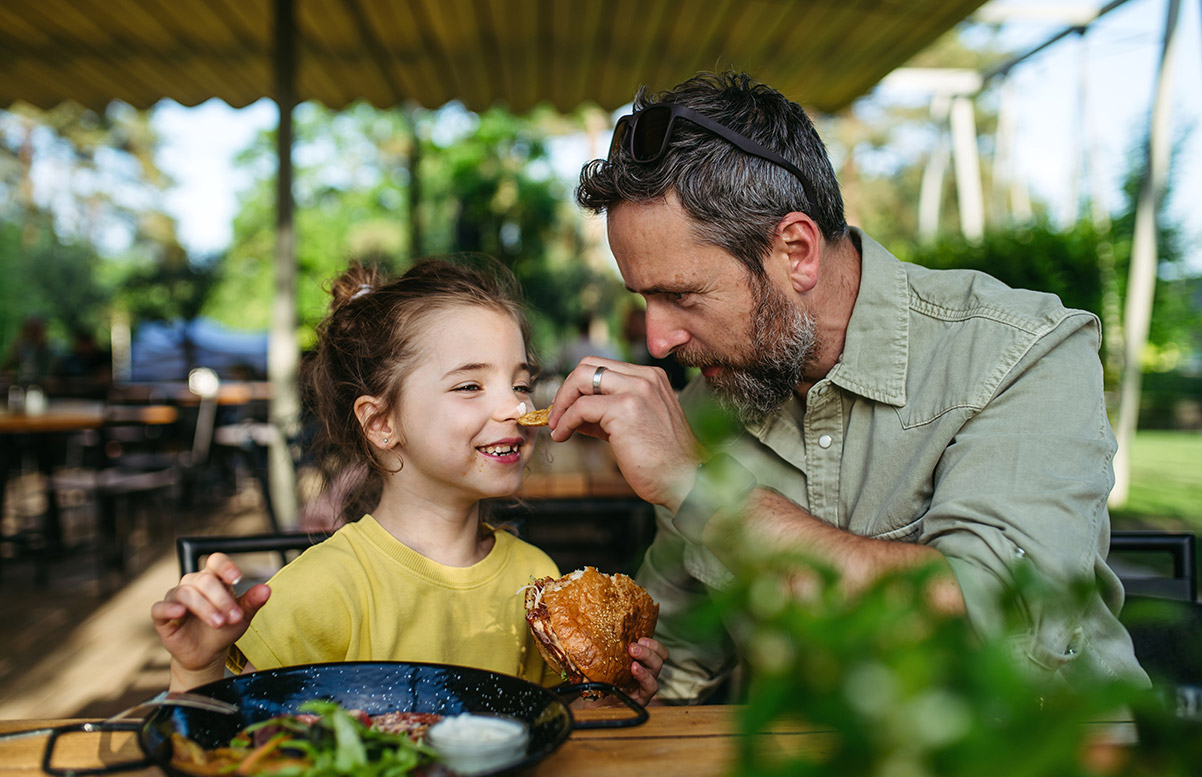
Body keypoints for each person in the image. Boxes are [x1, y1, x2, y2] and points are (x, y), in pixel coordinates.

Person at [545, 70, 1149, 703]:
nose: (659, 339)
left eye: (680, 295)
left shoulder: (1019, 349)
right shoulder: (705, 410)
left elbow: (998, 625)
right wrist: (629, 676)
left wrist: (703, 489)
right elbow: (677, 661)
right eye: (645, 298)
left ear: (797, 250)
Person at [152, 256, 667, 702]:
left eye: (521, 383)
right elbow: (238, 735)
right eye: (469, 385)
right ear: (381, 423)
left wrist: (606, 695)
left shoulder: (537, 580)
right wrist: (196, 670)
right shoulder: (320, 591)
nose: (515, 407)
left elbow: (549, 721)